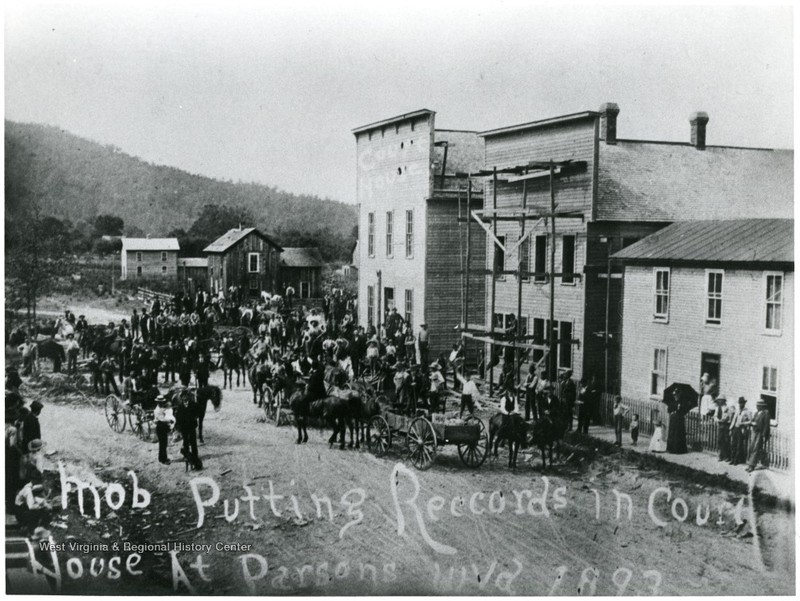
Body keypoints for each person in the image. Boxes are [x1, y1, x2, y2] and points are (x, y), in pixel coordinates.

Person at [175, 393, 201, 470]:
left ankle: (195, 457)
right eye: (183, 398)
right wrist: (178, 427)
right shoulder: (180, 407)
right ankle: (187, 456)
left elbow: (198, 412)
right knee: (185, 442)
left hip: (192, 426)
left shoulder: (193, 404)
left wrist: (195, 417)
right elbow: (178, 417)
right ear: (182, 399)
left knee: (193, 443)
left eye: (186, 398)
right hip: (184, 428)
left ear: (188, 398)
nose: (185, 400)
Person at [746, 399, 771, 472]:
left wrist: (763, 435)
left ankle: (752, 466)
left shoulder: (766, 414)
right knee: (752, 447)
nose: (757, 407)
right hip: (754, 432)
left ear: (762, 406)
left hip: (760, 433)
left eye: (758, 406)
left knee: (756, 449)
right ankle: (751, 464)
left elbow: (766, 426)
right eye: (757, 405)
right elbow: (753, 420)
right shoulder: (757, 413)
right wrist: (752, 423)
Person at [729, 396, 752, 465]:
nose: (741, 404)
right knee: (733, 444)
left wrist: (743, 423)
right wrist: (730, 429)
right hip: (735, 428)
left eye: (742, 403)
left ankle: (736, 460)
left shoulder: (747, 411)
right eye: (740, 403)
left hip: (741, 429)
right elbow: (734, 420)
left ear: (744, 404)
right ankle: (732, 459)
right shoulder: (737, 410)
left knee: (739, 445)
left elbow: (750, 421)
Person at [154, 395, 175, 465]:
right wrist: (170, 421)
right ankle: (163, 459)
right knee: (163, 444)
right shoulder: (157, 410)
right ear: (157, 402)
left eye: (161, 402)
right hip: (160, 427)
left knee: (163, 443)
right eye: (160, 402)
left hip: (162, 427)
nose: (161, 403)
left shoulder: (160, 408)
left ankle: (161, 458)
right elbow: (162, 419)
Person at [666, 389, 688, 454]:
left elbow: (684, 411)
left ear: (679, 396)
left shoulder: (682, 402)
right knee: (672, 433)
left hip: (679, 420)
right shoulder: (672, 402)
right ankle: (671, 449)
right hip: (673, 419)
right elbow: (669, 410)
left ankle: (679, 449)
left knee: (679, 433)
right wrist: (672, 411)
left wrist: (679, 409)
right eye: (675, 395)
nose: (676, 396)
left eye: (677, 395)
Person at [713, 395, 732, 461]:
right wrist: (718, 420)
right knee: (720, 440)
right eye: (719, 400)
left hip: (726, 426)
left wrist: (725, 419)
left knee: (726, 440)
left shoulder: (727, 408)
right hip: (720, 425)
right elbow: (715, 416)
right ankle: (720, 455)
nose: (719, 401)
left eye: (721, 400)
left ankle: (727, 456)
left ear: (724, 401)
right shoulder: (717, 408)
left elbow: (729, 417)